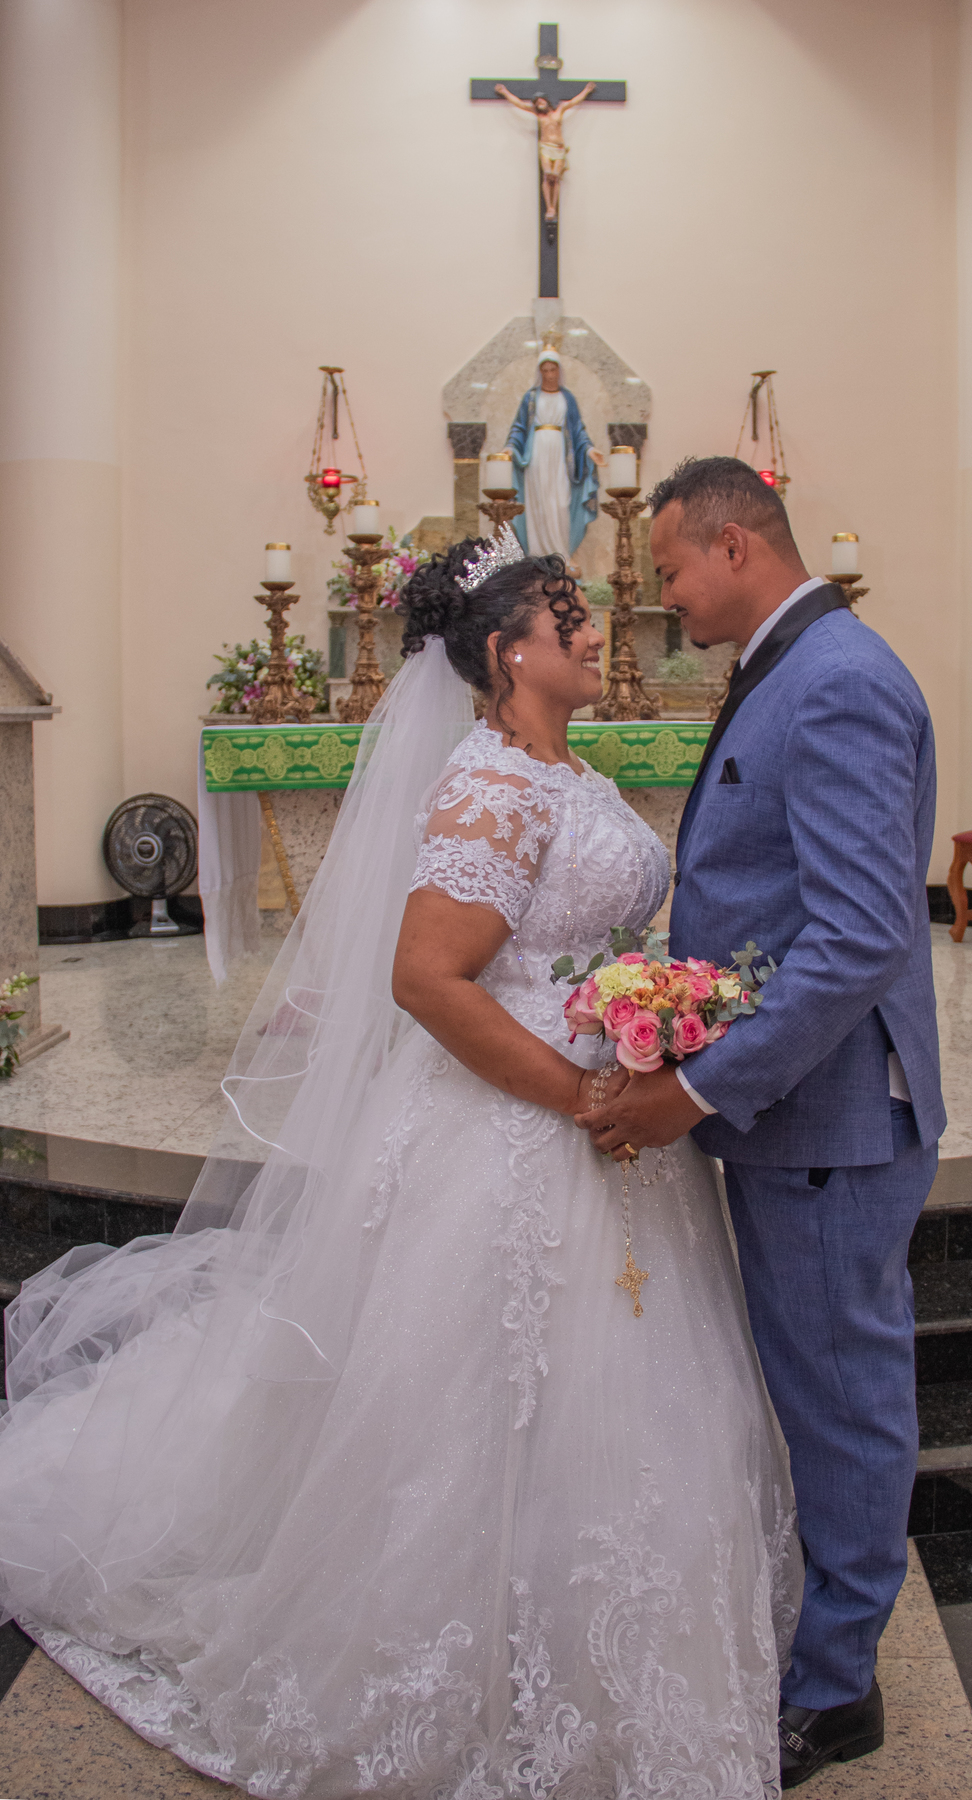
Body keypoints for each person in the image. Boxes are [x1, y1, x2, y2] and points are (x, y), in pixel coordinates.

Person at [0, 526, 802, 1797]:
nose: (596, 626)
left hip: (615, 1120)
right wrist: (579, 1090)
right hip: (519, 1125)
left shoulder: (570, 769)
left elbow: (574, 930)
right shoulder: (490, 785)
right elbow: (427, 979)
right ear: (508, 651)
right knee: (479, 1397)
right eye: (568, 613)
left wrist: (648, 1006)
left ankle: (586, 1638)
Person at [578, 457, 945, 1788]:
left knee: (843, 1397)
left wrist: (691, 1086)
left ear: (735, 546)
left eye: (673, 568)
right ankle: (821, 1636)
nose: (665, 597)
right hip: (798, 1111)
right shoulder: (791, 664)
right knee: (815, 1382)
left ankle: (837, 1688)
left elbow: (855, 940)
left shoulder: (836, 678)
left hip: (829, 1120)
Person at [505, 347, 602, 565]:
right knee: (538, 502)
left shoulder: (567, 398)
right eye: (545, 370)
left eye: (553, 370)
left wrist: (589, 450)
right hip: (536, 455)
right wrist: (511, 447)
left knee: (559, 503)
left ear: (559, 371)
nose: (549, 375)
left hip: (561, 456)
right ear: (540, 372)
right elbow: (519, 427)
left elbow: (578, 429)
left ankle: (560, 553)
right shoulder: (531, 397)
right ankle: (537, 555)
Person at [493, 82, 595, 231]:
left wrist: (586, 91)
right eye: (537, 103)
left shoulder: (560, 110)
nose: (540, 105)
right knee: (547, 175)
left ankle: (554, 205)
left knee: (556, 177)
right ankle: (549, 207)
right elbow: (520, 104)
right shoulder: (538, 115)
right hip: (546, 147)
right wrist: (505, 92)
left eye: (541, 101)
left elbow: (574, 102)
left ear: (547, 101)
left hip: (559, 148)